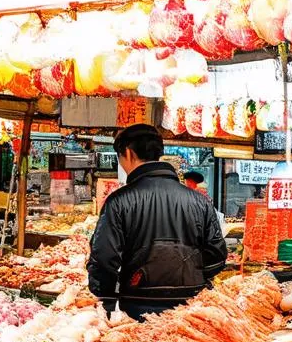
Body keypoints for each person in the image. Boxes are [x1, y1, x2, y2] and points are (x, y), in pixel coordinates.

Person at [88, 124, 227, 320]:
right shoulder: (199, 201)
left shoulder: (119, 201)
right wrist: (190, 277)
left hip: (137, 305)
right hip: (192, 308)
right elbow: (217, 256)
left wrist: (107, 299)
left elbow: (104, 259)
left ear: (127, 153)